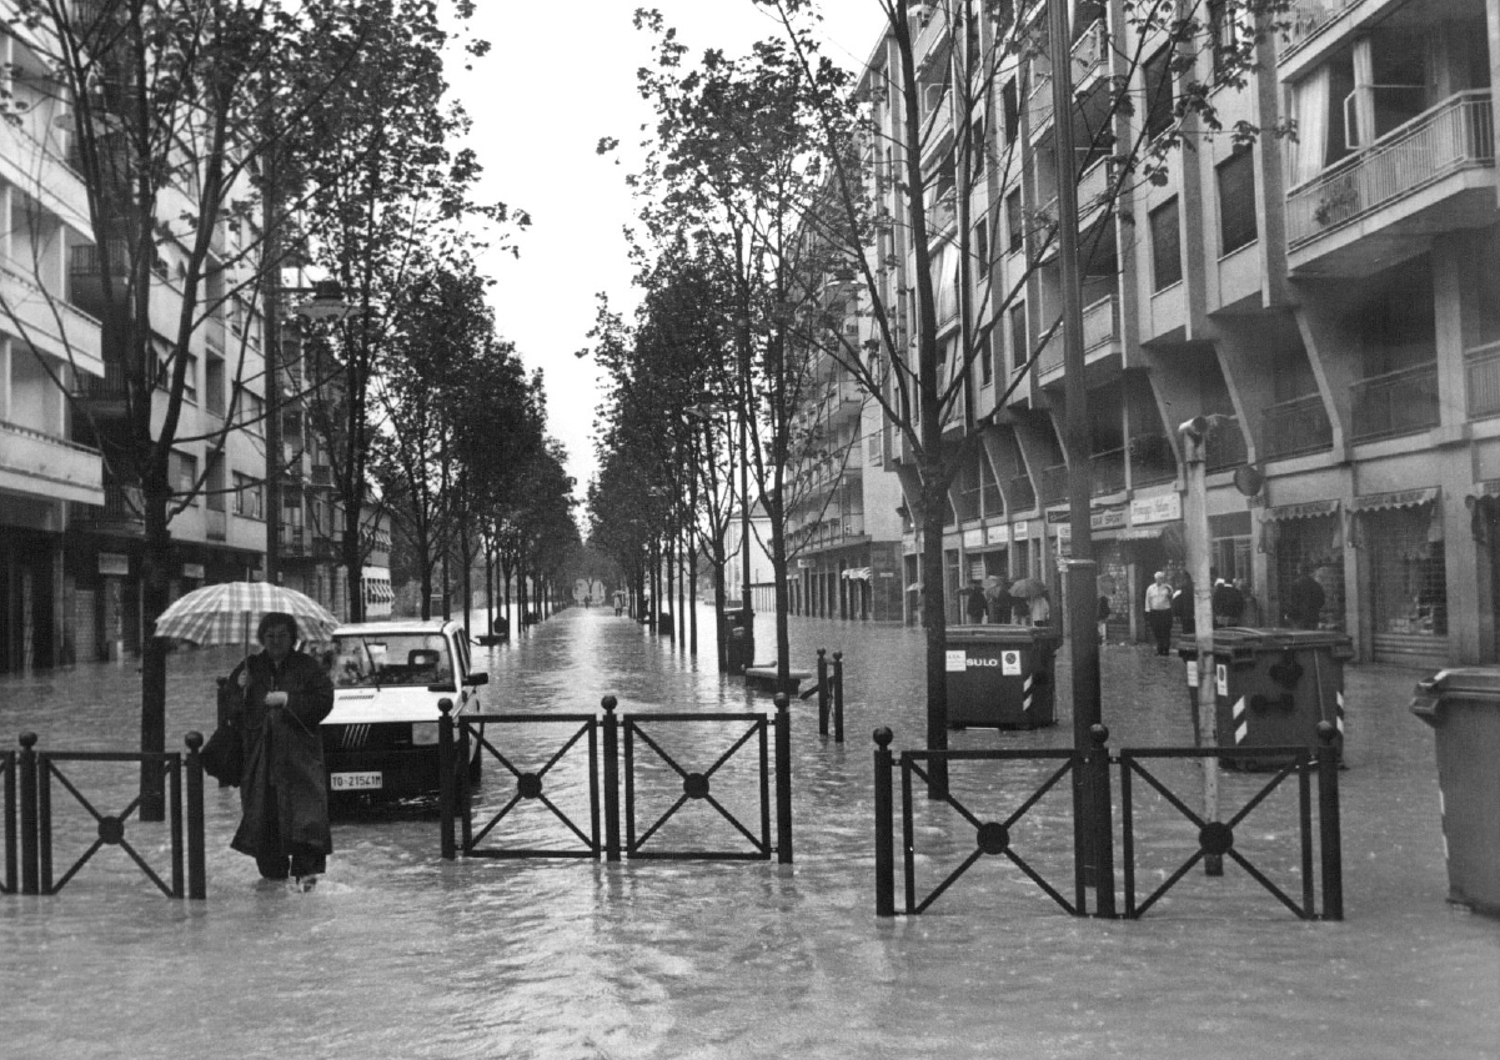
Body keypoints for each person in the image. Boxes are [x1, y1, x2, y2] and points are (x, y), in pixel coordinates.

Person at [226, 612, 335, 890]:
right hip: (261, 761)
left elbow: (324, 700)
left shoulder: (307, 667)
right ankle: (273, 889)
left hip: (299, 759)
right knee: (265, 819)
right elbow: (233, 713)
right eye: (270, 636)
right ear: (262, 638)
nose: (276, 641)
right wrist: (239, 691)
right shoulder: (250, 667)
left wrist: (289, 700)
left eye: (282, 635)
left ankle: (306, 884)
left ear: (292, 638)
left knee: (305, 818)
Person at [1144, 570, 1174, 655]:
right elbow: (1147, 599)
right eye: (1158, 578)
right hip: (1154, 612)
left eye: (1161, 578)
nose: (1160, 580)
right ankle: (1159, 649)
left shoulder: (1168, 587)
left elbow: (1171, 598)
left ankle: (1166, 649)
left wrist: (1170, 595)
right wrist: (1147, 610)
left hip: (1165, 612)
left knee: (1166, 631)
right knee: (1156, 630)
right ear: (1155, 579)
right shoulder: (1150, 588)